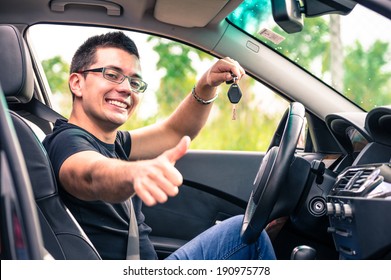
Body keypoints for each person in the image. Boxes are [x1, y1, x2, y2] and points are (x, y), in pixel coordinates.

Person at [43, 31, 276, 260]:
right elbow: (89, 175)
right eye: (112, 75)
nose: (126, 89)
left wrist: (206, 84)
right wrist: (135, 172)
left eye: (134, 81)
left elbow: (174, 131)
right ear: (77, 83)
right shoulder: (66, 141)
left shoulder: (114, 142)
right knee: (244, 236)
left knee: (247, 233)